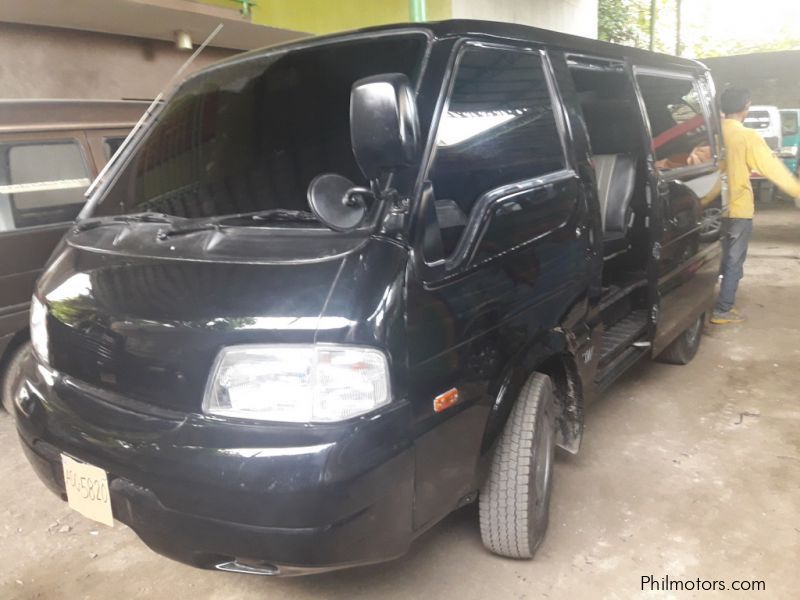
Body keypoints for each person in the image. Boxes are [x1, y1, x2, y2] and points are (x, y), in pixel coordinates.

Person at [710, 87, 800, 325]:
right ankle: (723, 311)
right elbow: (774, 170)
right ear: (746, 107)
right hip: (738, 208)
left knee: (717, 255)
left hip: (713, 209)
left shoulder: (713, 135)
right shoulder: (747, 136)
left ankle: (710, 298)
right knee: (733, 260)